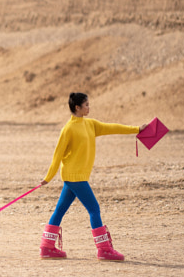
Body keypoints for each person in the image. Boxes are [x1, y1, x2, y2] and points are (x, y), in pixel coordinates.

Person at [38, 92, 147, 261]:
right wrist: (48, 178)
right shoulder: (68, 129)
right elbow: (57, 155)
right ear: (77, 107)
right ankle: (104, 249)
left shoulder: (90, 124)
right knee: (94, 209)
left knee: (60, 210)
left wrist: (137, 129)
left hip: (75, 177)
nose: (89, 108)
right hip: (76, 177)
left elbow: (112, 128)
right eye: (87, 105)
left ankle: (47, 247)